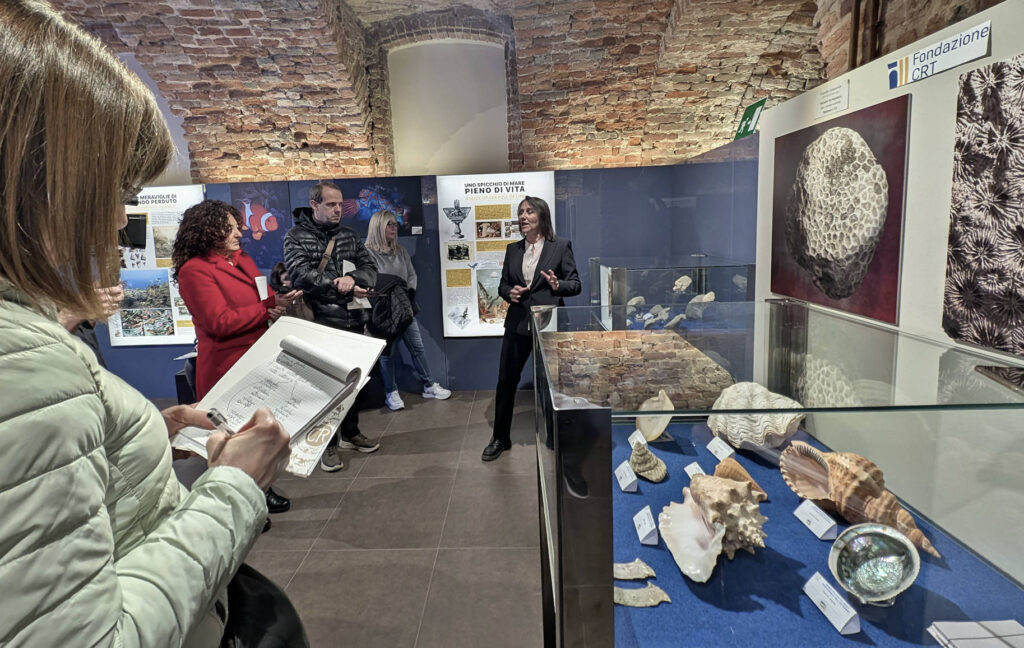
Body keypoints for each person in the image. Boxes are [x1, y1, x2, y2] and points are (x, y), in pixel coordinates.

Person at [0, 2, 298, 646]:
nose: (114, 221)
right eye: (111, 190)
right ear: (36, 181)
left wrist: (135, 437)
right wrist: (234, 489)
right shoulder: (23, 361)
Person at [174, 199, 301, 514]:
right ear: (208, 230)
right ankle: (234, 500)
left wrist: (277, 300)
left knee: (256, 429)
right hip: (224, 366)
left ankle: (259, 488)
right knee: (229, 433)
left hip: (256, 356)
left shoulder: (242, 260)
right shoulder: (194, 271)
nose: (239, 232)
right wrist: (264, 309)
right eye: (230, 228)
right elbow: (218, 322)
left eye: (236, 226)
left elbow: (260, 297)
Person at [283, 182, 381, 472]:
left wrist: (355, 280)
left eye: (340, 204)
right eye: (330, 204)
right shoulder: (296, 236)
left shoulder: (349, 235)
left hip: (353, 320)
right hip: (320, 324)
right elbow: (300, 275)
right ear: (314, 205)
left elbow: (369, 268)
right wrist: (340, 285)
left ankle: (350, 432)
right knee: (325, 389)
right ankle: (327, 445)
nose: (338, 209)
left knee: (355, 384)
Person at [483, 196, 581, 461]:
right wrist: (509, 293)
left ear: (542, 216)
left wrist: (557, 285)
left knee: (553, 384)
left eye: (529, 211)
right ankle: (500, 437)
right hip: (517, 324)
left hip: (548, 325)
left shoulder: (560, 246)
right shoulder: (512, 249)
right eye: (520, 212)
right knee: (506, 381)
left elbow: (575, 284)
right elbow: (503, 284)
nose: (523, 216)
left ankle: (555, 436)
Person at [364, 210, 451, 410]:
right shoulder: (366, 253)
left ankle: (429, 385)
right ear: (378, 226)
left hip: (404, 307)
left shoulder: (400, 251)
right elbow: (369, 281)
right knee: (388, 354)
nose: (395, 228)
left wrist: (408, 292)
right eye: (390, 225)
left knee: (418, 348)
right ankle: (391, 392)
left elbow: (411, 275)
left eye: (395, 224)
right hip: (382, 311)